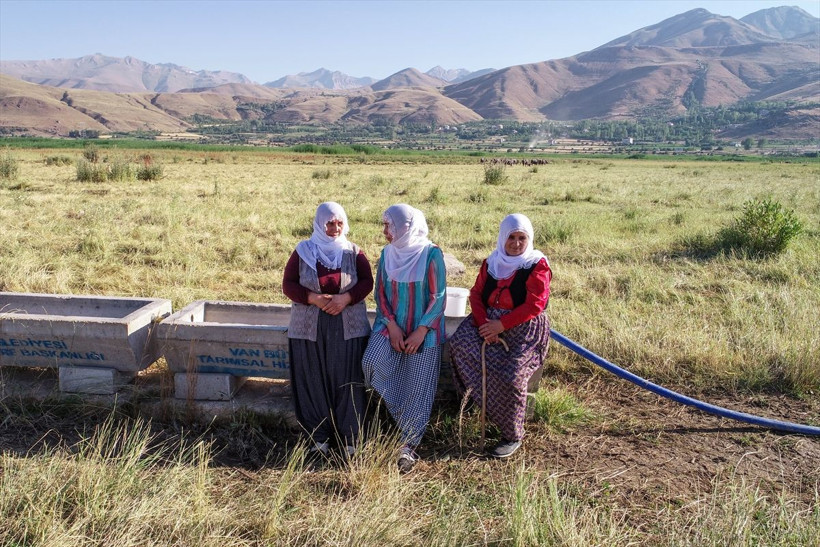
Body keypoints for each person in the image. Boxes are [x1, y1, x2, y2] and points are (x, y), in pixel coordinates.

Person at [448, 213, 551, 458]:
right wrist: (485, 324)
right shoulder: (492, 262)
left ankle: (512, 434)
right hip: (487, 321)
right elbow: (476, 294)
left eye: (521, 238)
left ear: (529, 239)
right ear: (502, 238)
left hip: (523, 326)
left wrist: (500, 326)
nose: (516, 243)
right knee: (459, 345)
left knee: (513, 375)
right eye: (511, 237)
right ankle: (481, 405)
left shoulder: (537, 265)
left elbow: (535, 304)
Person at [283, 201, 373, 459]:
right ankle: (318, 439)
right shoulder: (303, 251)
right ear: (319, 223)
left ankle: (351, 441)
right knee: (313, 380)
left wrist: (346, 298)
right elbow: (288, 284)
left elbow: (367, 281)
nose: (334, 228)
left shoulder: (353, 252)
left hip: (348, 327)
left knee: (348, 380)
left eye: (339, 223)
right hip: (309, 327)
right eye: (329, 223)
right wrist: (312, 298)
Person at [361, 203, 446, 473]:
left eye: (390, 226)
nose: (385, 231)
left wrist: (421, 330)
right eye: (385, 225)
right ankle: (399, 414)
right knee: (371, 362)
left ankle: (408, 444)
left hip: (424, 332)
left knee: (418, 385)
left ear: (406, 227)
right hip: (391, 326)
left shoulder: (432, 255)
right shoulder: (387, 255)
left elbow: (439, 297)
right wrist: (393, 327)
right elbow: (381, 296)